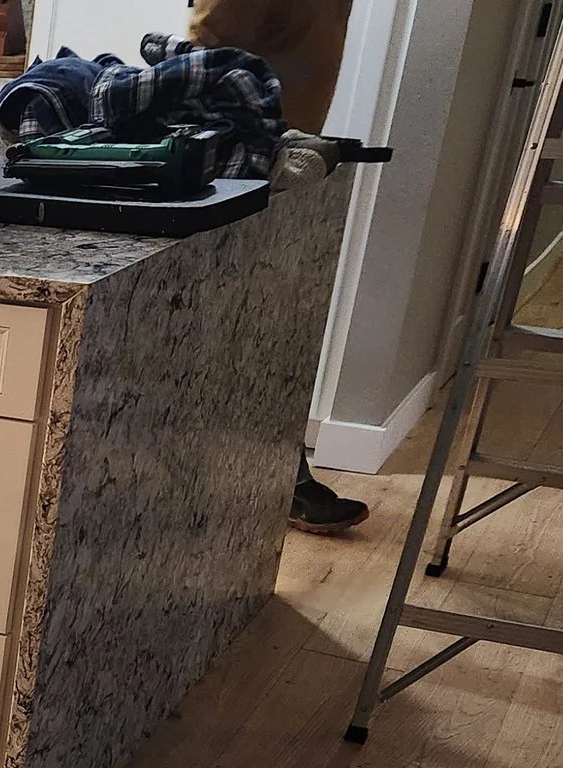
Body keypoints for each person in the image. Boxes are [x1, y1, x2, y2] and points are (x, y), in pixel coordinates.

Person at [192, 0, 372, 534]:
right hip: (239, 167)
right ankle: (274, 483)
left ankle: (277, 480)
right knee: (240, 334)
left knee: (264, 333)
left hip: (282, 161)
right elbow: (208, 53)